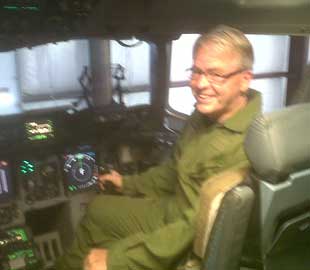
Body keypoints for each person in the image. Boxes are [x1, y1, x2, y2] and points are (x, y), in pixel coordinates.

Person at [56, 25, 261, 270]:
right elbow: (172, 170)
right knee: (99, 209)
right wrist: (128, 183)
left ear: (244, 80)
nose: (200, 84)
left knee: (106, 254)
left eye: (216, 75)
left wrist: (116, 260)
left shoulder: (244, 144)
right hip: (172, 209)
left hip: (188, 235)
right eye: (196, 71)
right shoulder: (203, 115)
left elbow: (193, 226)